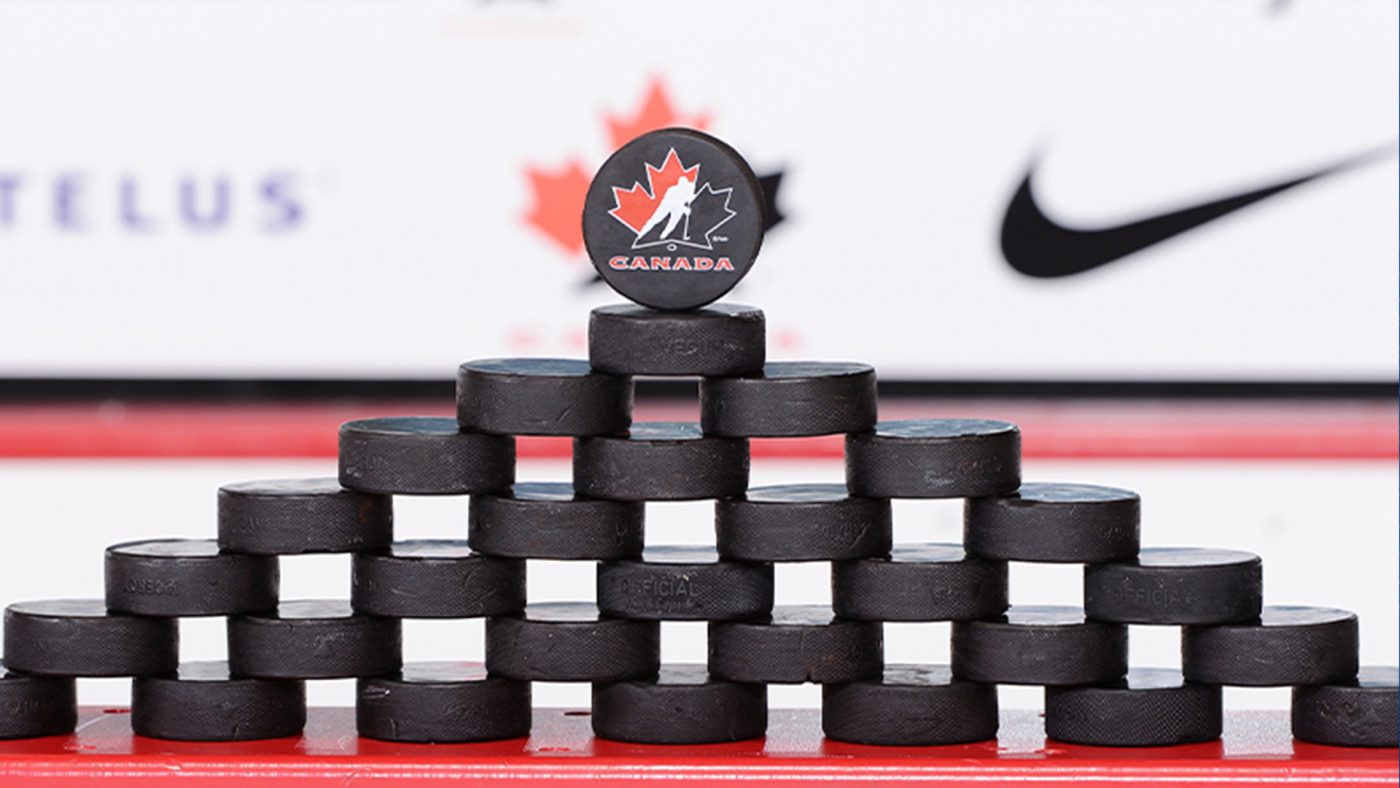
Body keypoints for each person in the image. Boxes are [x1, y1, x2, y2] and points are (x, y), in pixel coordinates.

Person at [637, 175, 696, 241]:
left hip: (679, 208)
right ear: (679, 184)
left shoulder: (688, 188)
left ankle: (662, 237)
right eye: (682, 185)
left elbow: (690, 196)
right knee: (655, 219)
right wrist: (684, 209)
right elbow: (674, 202)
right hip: (666, 206)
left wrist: (691, 197)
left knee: (673, 223)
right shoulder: (672, 190)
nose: (683, 187)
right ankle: (640, 235)